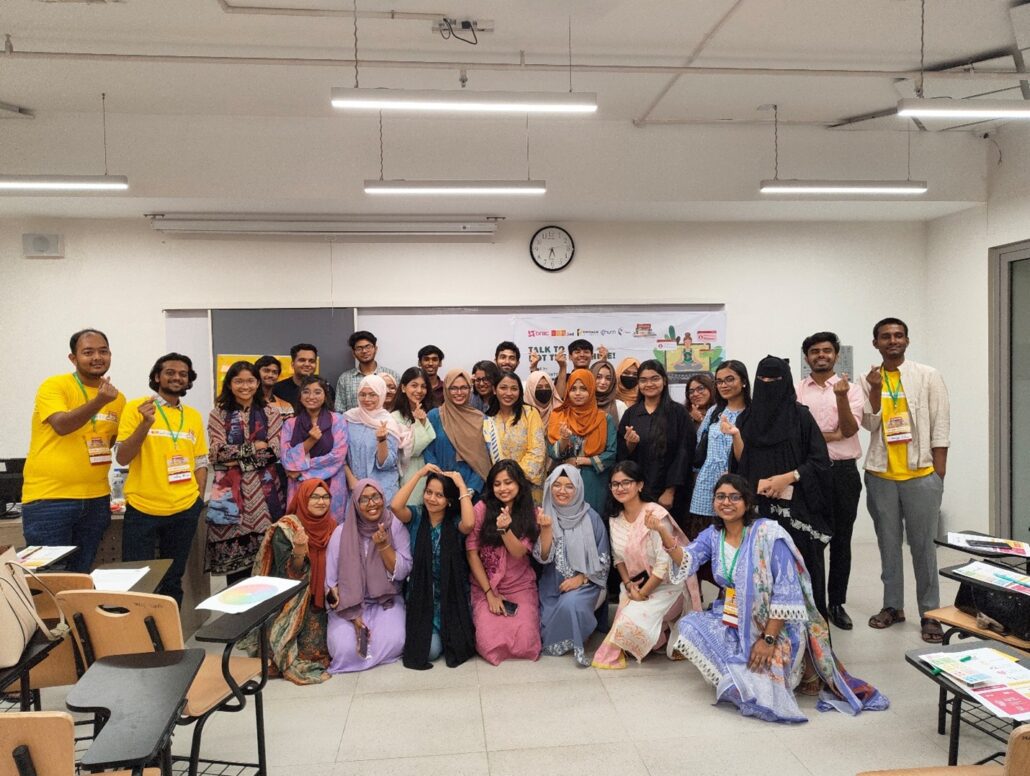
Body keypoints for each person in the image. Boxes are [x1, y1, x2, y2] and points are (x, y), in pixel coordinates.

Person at [655, 474, 889, 723]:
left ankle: (779, 672)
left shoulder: (768, 534)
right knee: (690, 626)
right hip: (733, 616)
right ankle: (736, 677)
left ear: (747, 502)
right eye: (720, 497)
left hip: (776, 625)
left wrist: (767, 640)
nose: (726, 502)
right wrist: (662, 530)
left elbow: (787, 594)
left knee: (765, 685)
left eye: (734, 497)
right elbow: (687, 559)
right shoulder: (713, 535)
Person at [861, 317, 950, 643]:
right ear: (876, 343)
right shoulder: (867, 378)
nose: (893, 341)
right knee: (888, 546)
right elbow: (869, 424)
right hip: (881, 475)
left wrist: (938, 473)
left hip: (921, 475)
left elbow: (941, 423)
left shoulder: (927, 375)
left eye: (898, 335)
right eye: (885, 336)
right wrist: (874, 388)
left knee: (923, 547)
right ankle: (893, 606)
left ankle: (930, 613)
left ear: (907, 341)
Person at [728, 356, 832, 619]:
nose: (768, 384)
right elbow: (740, 463)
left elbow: (820, 460)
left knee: (800, 569)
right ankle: (761, 631)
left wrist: (788, 477)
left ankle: (808, 635)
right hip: (758, 511)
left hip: (796, 511)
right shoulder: (747, 419)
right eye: (762, 379)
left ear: (785, 382)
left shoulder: (801, 417)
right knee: (760, 572)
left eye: (774, 379)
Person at [22, 329, 127, 573]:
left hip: (96, 500)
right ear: (73, 358)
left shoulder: (118, 398)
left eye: (103, 351)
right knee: (48, 578)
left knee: (80, 575)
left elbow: (109, 442)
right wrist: (99, 401)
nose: (97, 357)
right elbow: (62, 425)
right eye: (88, 352)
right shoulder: (55, 386)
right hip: (50, 500)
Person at [116, 353, 207, 606]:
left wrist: (197, 500)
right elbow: (122, 457)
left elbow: (200, 461)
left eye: (183, 374)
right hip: (143, 508)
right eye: (170, 372)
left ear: (189, 380)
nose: (177, 377)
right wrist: (145, 423)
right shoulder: (137, 408)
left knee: (172, 580)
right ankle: (140, 631)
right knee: (139, 581)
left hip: (184, 509)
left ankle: (169, 630)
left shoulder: (193, 416)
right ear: (157, 377)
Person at [591, 461, 688, 670]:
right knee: (628, 623)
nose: (620, 488)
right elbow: (618, 558)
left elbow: (663, 565)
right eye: (615, 484)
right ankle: (659, 635)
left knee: (629, 624)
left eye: (626, 482)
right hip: (635, 585)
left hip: (668, 587)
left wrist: (642, 594)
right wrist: (628, 585)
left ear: (640, 485)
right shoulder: (615, 518)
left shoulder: (655, 515)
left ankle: (664, 630)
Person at [797, 332, 864, 630]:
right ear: (807, 357)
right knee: (810, 540)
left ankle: (836, 603)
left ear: (836, 355)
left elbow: (848, 430)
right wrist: (830, 435)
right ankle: (814, 604)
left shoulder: (852, 390)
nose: (821, 355)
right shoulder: (798, 391)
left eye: (826, 350)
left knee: (841, 540)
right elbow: (797, 435)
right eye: (815, 351)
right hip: (809, 473)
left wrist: (840, 398)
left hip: (843, 472)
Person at [206, 361, 286, 584]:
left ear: (258, 383)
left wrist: (235, 461)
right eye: (238, 381)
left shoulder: (271, 413)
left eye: (250, 381)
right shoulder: (218, 414)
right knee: (237, 579)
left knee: (268, 568)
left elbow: (274, 452)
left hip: (264, 495)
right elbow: (217, 452)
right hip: (229, 495)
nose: (245, 386)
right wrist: (254, 447)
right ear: (229, 384)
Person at [248, 478, 333, 684]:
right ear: (303, 499)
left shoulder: (332, 525)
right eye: (315, 497)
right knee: (299, 651)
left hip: (324, 599)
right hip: (292, 599)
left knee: (326, 648)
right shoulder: (286, 528)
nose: (321, 502)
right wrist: (299, 551)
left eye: (325, 497)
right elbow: (286, 575)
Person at [392, 465, 477, 669]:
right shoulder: (416, 516)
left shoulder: (454, 522)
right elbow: (395, 506)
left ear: (449, 500)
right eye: (428, 492)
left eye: (439, 495)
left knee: (456, 645)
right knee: (430, 651)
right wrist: (419, 474)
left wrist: (461, 485)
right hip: (421, 597)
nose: (432, 498)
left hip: (449, 597)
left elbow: (469, 524)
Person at [325, 479, 412, 672]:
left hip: (386, 601)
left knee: (395, 640)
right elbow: (330, 583)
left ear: (383, 497)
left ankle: (367, 657)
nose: (371, 504)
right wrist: (353, 616)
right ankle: (366, 654)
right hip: (348, 604)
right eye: (364, 499)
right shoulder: (341, 533)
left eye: (375, 497)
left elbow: (404, 571)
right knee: (343, 649)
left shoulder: (394, 526)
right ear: (355, 504)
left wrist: (384, 547)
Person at [466, 460, 548, 665]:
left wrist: (505, 530)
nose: (503, 488)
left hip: (519, 585)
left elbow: (519, 552)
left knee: (526, 642)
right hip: (486, 585)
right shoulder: (481, 509)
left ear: (519, 483)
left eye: (508, 482)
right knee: (489, 644)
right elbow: (472, 553)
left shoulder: (531, 513)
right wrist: (489, 594)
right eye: (497, 484)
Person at [534, 465, 611, 667]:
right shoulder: (544, 514)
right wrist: (546, 529)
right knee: (539, 625)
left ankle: (581, 628)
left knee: (571, 605)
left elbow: (604, 558)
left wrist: (581, 578)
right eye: (557, 485)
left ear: (578, 489)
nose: (562, 491)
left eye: (569, 486)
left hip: (588, 584)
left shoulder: (591, 518)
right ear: (549, 487)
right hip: (552, 585)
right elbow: (543, 558)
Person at [617, 360, 696, 530]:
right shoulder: (631, 414)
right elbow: (622, 456)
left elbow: (684, 453)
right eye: (643, 380)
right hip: (638, 493)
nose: (649, 384)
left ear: (664, 381)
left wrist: (670, 491)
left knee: (668, 538)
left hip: (670, 495)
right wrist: (630, 445)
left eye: (655, 378)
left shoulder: (678, 413)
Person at [546, 368, 617, 515]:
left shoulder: (604, 419)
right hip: (565, 482)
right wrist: (564, 439)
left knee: (593, 520)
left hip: (594, 482)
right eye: (573, 389)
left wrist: (585, 461)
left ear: (591, 389)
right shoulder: (559, 416)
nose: (577, 393)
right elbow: (552, 453)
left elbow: (611, 453)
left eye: (583, 389)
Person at [280, 376, 349, 521]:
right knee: (300, 526)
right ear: (300, 396)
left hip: (331, 483)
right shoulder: (290, 424)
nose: (311, 396)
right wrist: (310, 441)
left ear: (325, 396)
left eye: (317, 392)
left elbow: (337, 456)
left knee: (331, 527)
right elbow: (286, 459)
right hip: (300, 487)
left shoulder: (338, 420)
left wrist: (300, 471)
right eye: (306, 392)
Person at [424, 369, 492, 499]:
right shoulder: (434, 416)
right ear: (446, 390)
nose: (459, 393)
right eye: (453, 388)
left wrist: (471, 489)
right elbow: (428, 451)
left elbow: (484, 458)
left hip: (473, 490)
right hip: (439, 490)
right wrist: (440, 482)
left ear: (470, 389)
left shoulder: (480, 419)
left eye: (464, 388)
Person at [343, 374, 410, 503]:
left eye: (372, 394)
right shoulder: (349, 418)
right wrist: (351, 479)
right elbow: (341, 455)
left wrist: (382, 440)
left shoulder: (388, 423)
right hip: (354, 488)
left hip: (382, 490)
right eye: (362, 394)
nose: (367, 399)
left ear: (381, 395)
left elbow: (386, 464)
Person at [483, 371, 546, 504]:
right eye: (503, 387)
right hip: (499, 489)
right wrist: (502, 482)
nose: (509, 393)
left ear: (520, 391)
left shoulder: (530, 413)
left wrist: (512, 478)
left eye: (514, 388)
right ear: (494, 390)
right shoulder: (488, 419)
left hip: (527, 486)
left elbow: (537, 451)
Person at [391, 367, 437, 507]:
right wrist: (419, 423)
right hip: (408, 471)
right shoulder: (395, 417)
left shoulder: (432, 412)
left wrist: (422, 420)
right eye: (414, 385)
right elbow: (413, 449)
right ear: (403, 388)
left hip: (430, 470)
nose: (419, 390)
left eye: (423, 386)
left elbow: (433, 440)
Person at [335, 331, 399, 413]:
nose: (364, 351)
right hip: (354, 421)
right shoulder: (345, 379)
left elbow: (400, 405)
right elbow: (340, 411)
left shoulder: (391, 376)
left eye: (368, 347)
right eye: (359, 348)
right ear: (353, 353)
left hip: (386, 420)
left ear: (375, 349)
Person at [273, 343, 335, 413]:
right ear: (292, 364)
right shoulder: (278, 389)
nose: (307, 364)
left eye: (311, 361)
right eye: (302, 360)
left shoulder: (326, 389)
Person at [591, 359, 628, 424]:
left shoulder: (620, 406)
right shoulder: (583, 404)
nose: (603, 382)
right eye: (598, 377)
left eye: (608, 378)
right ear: (591, 377)